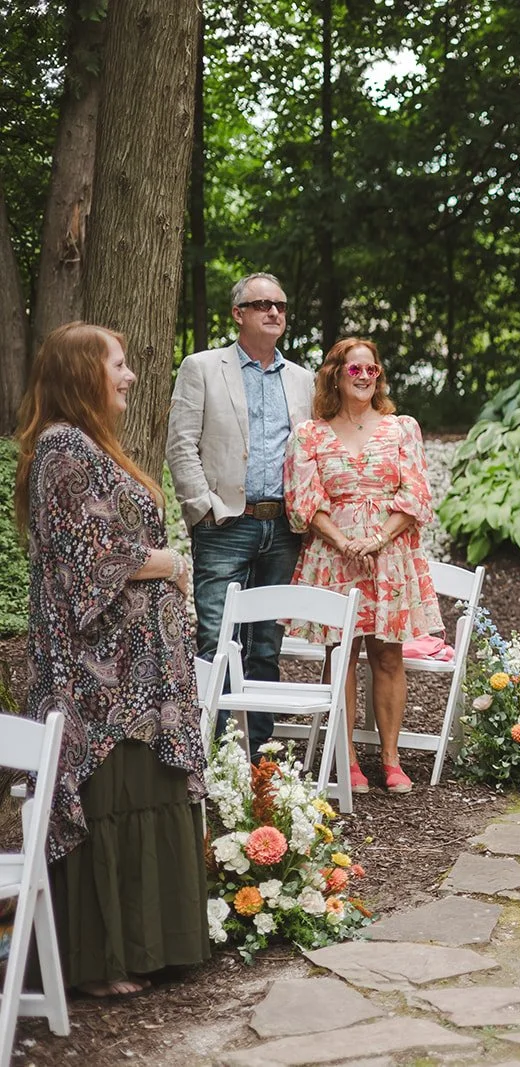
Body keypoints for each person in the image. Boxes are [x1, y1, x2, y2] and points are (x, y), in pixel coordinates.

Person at [15, 323, 211, 997]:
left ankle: (152, 947)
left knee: (145, 794)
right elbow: (92, 556)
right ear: (83, 375)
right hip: (98, 679)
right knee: (112, 798)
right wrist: (171, 562)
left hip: (138, 676)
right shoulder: (63, 447)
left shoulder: (91, 444)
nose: (129, 375)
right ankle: (101, 961)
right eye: (118, 365)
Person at [283, 337, 442, 794]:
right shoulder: (310, 435)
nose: (365, 377)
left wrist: (376, 539)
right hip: (333, 556)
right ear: (335, 375)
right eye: (355, 369)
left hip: (388, 557)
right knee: (342, 654)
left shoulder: (401, 429)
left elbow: (416, 496)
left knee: (389, 655)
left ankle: (390, 760)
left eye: (372, 370)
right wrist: (343, 541)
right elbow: (303, 501)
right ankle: (347, 758)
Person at [167, 272, 314, 754]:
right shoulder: (203, 367)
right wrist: (203, 510)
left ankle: (257, 757)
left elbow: (311, 451)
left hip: (284, 528)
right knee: (216, 638)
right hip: (225, 524)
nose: (274, 312)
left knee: (266, 644)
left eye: (280, 305)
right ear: (238, 314)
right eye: (262, 304)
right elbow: (181, 444)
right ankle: (212, 754)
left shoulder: (302, 380)